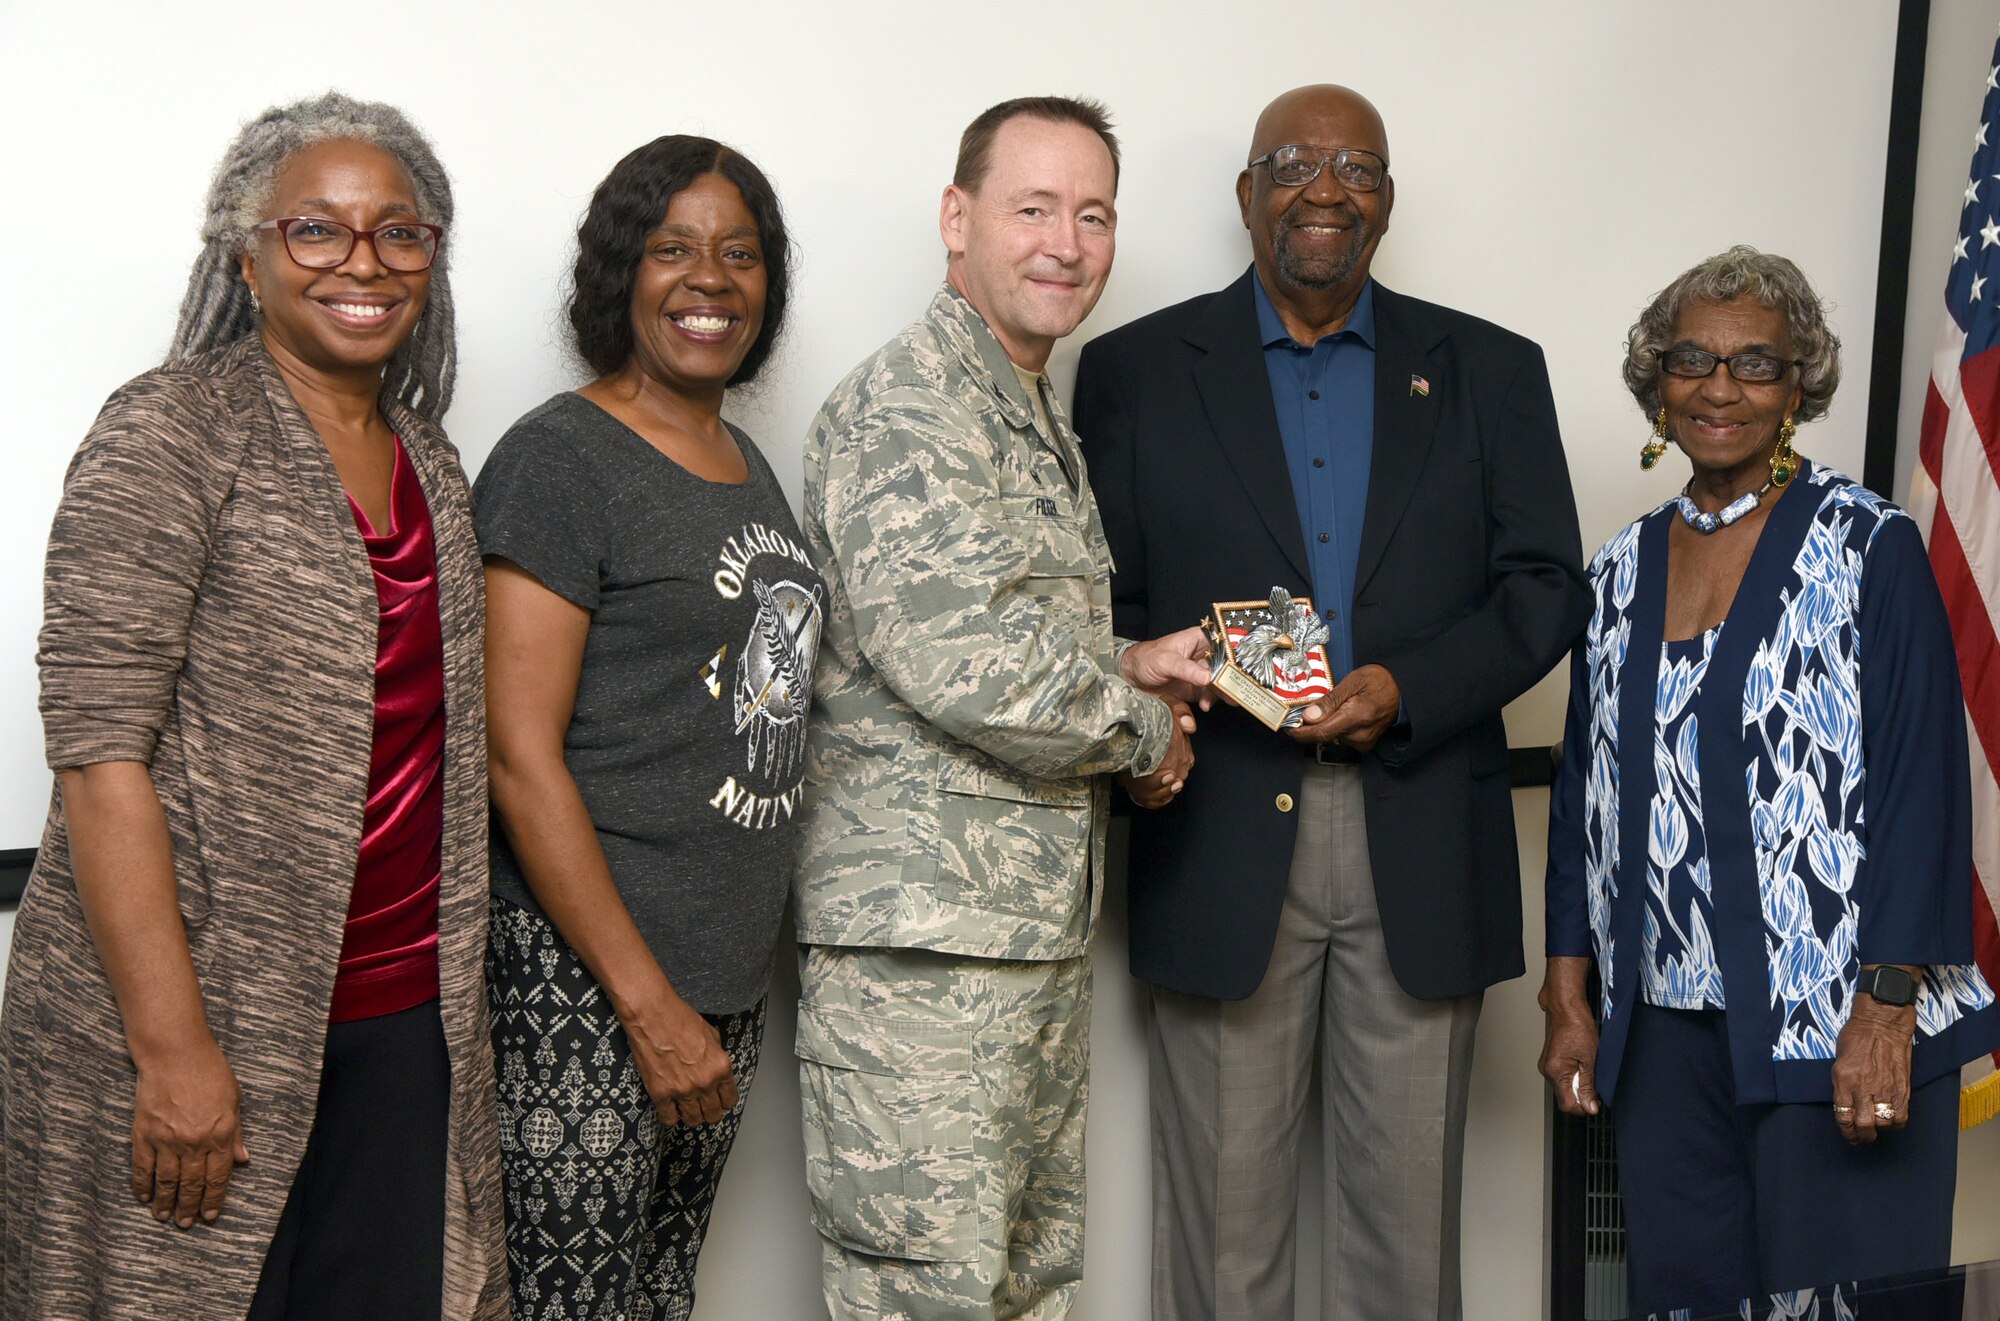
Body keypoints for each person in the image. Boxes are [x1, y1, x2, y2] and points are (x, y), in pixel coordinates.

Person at [1071, 84, 1588, 1320]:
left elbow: (1544, 592)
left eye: (1355, 167)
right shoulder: (1133, 371)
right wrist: (1153, 723)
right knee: (1222, 1247)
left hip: (1419, 832)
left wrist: (1408, 688)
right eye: (1293, 163)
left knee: (1403, 1251)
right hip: (1216, 828)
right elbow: (1102, 606)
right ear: (1246, 194)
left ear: (1387, 201)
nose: (1324, 189)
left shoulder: (1490, 370)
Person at [0, 93, 505, 1319]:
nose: (363, 263)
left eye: (400, 232)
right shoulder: (170, 431)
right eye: (315, 231)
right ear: (247, 252)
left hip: (400, 1019)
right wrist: (172, 1050)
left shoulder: (429, 458)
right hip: (198, 1016)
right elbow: (100, 753)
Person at [794, 95, 1211, 1320]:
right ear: (955, 218)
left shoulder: (1020, 405)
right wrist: (1145, 732)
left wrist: (1128, 662)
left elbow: (1002, 624)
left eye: (1091, 215)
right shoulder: (911, 406)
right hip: (921, 961)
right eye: (1032, 208)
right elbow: (965, 657)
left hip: (1016, 939)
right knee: (929, 1297)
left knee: (1024, 1292)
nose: (1064, 244)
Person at [1538, 246, 2000, 1308]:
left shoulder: (1866, 545)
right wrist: (1568, 990)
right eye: (1691, 358)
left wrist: (1884, 1011)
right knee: (1682, 1296)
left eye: (1755, 365)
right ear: (1655, 378)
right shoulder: (1616, 568)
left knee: (1843, 1301)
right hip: (1660, 1040)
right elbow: (1583, 794)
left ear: (1799, 387)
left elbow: (1922, 787)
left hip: (1836, 1027)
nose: (1719, 388)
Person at [475, 136, 812, 1321]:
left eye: (738, 253)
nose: (707, 278)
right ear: (619, 272)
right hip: (587, 984)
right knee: (566, 1304)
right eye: (671, 248)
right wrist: (648, 1003)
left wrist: (702, 999)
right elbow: (516, 758)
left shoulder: (743, 462)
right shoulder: (559, 459)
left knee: (657, 1294)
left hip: (717, 982)